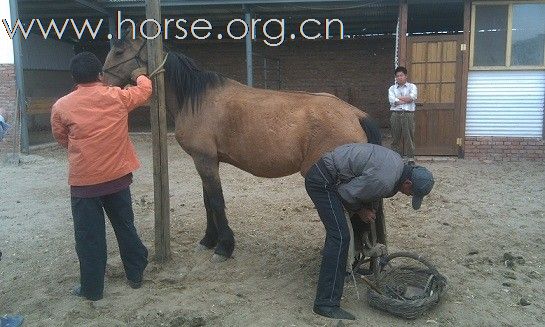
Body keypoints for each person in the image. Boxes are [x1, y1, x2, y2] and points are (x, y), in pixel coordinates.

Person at [51, 52, 152, 301]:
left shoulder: (62, 106)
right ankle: (135, 275)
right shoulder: (118, 97)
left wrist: (81, 149)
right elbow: (145, 90)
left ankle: (92, 289)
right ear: (100, 75)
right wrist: (139, 75)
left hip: (84, 184)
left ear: (74, 78)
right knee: (125, 226)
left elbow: (61, 138)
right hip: (118, 178)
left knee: (89, 237)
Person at [305, 143, 434, 320]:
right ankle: (325, 303)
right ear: (408, 182)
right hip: (322, 181)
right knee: (340, 236)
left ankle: (345, 267)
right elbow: (344, 193)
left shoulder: (397, 164)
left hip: (333, 175)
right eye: (410, 193)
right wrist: (360, 210)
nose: (408, 196)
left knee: (344, 231)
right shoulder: (384, 180)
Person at [388, 66, 418, 163]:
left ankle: (410, 158)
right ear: (395, 77)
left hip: (408, 114)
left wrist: (399, 99)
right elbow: (392, 101)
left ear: (406, 76)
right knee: (395, 137)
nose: (399, 77)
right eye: (397, 76)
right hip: (395, 114)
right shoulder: (392, 88)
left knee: (409, 136)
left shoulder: (412, 86)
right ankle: (396, 158)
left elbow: (413, 97)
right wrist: (406, 99)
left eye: (401, 75)